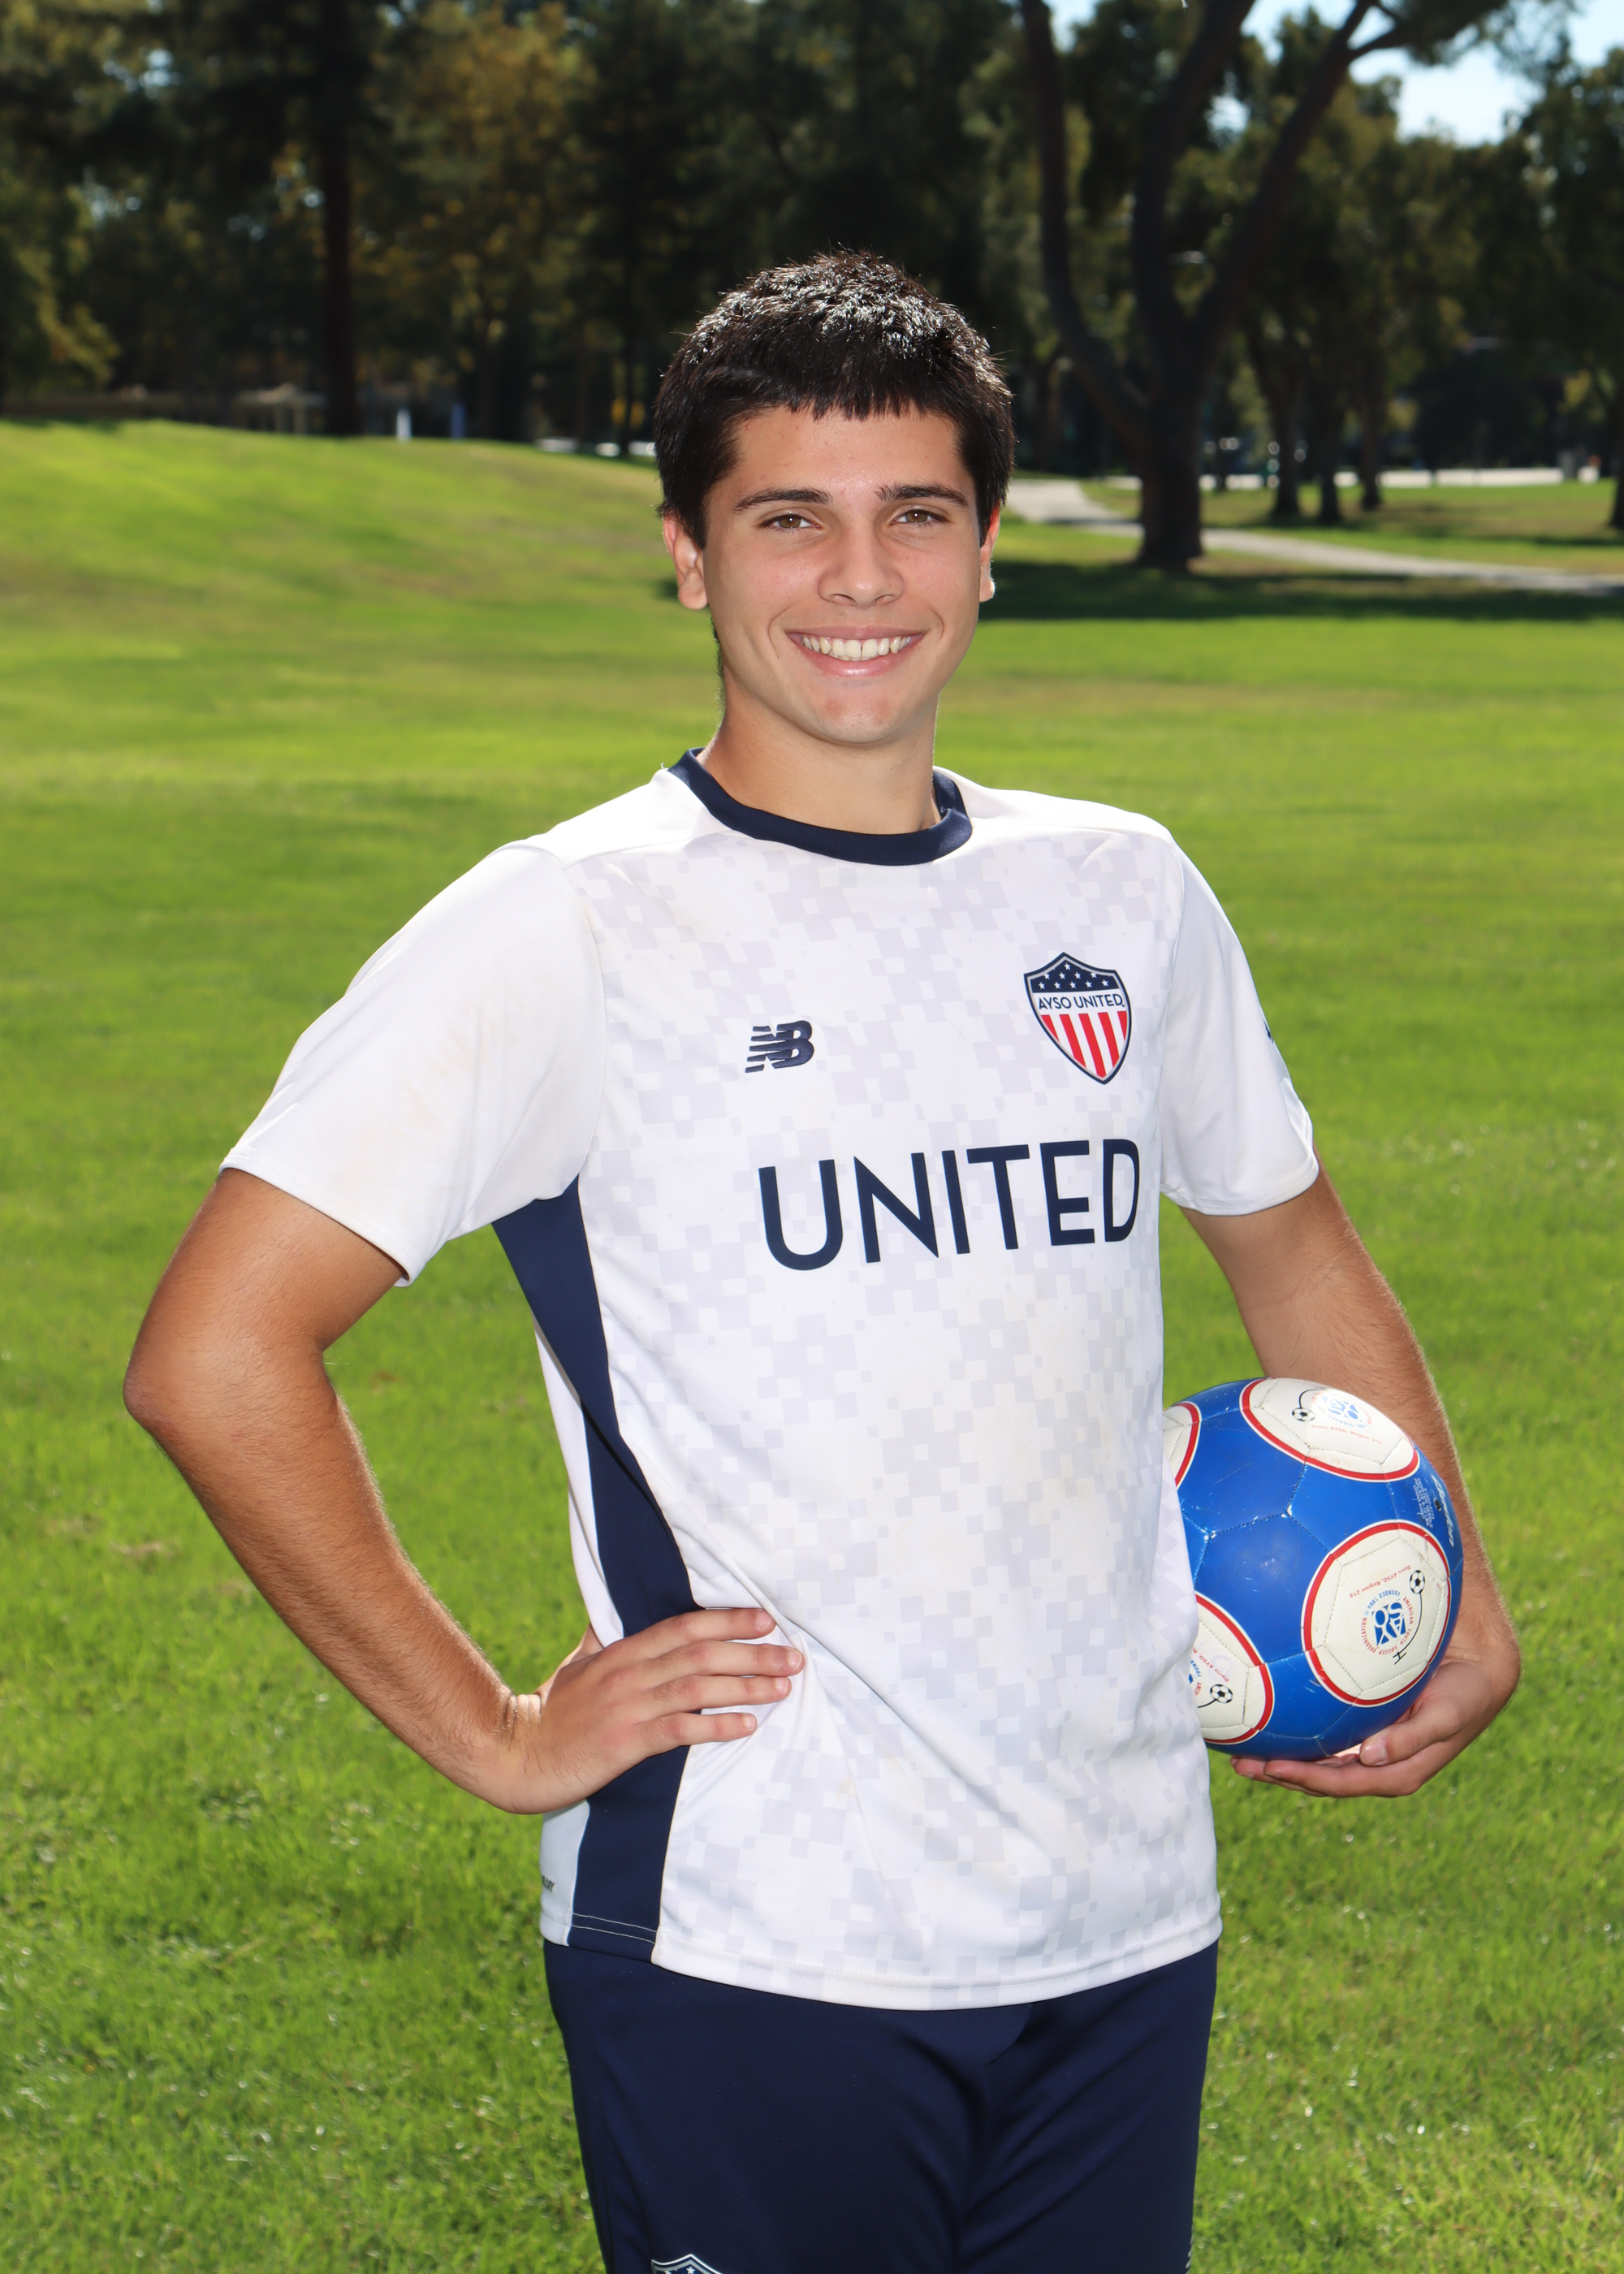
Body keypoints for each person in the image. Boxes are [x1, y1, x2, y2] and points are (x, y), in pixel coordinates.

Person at [125, 252, 1519, 2274]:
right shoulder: (564, 926)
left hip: (1123, 1913)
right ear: (689, 554)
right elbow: (216, 1348)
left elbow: (1286, 1233)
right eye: (789, 516)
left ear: (986, 549)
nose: (860, 576)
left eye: (916, 513)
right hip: (755, 1937)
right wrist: (494, 1730)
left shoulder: (1118, 888)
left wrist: (1451, 1570)